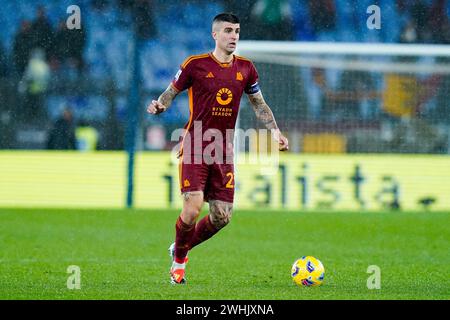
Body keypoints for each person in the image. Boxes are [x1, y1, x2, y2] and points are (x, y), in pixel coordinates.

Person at [147, 13, 289, 284]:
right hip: (196, 143)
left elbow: (259, 104)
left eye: (237, 31)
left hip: (223, 149)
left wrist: (275, 132)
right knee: (193, 207)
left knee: (222, 216)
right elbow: (170, 92)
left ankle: (180, 246)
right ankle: (179, 265)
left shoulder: (246, 68)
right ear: (215, 35)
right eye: (228, 31)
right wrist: (161, 105)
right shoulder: (195, 65)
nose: (234, 36)